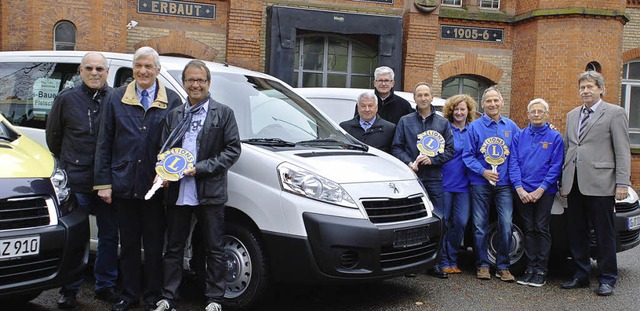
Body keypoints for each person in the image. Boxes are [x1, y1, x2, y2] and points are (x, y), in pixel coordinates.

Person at [94, 46, 182, 311]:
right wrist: (104, 183)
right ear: (133, 68)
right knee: (128, 243)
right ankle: (129, 294)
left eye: (148, 66)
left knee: (155, 244)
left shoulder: (173, 102)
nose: (143, 71)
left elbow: (177, 145)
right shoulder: (116, 98)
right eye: (138, 66)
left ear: (158, 70)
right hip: (123, 183)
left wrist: (170, 175)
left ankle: (153, 294)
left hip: (155, 187)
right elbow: (104, 141)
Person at [153, 60, 241, 311]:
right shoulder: (174, 116)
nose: (195, 85)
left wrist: (200, 169)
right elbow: (164, 151)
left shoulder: (223, 113)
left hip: (209, 191)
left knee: (214, 247)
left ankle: (215, 299)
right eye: (191, 80)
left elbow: (233, 150)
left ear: (208, 83)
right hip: (178, 191)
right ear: (184, 83)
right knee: (173, 247)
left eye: (200, 80)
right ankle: (168, 297)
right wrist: (164, 171)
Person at [46, 52, 119, 309]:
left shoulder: (117, 99)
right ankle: (70, 290)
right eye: (89, 68)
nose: (94, 72)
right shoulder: (66, 99)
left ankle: (105, 286)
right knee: (77, 239)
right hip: (77, 181)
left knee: (110, 236)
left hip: (108, 182)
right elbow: (53, 139)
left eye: (100, 68)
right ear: (81, 71)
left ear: (107, 72)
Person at [560, 71, 631, 296]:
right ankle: (581, 275)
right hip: (575, 184)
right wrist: (563, 180)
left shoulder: (614, 113)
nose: (585, 91)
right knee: (577, 233)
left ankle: (607, 277)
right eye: (582, 87)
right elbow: (568, 148)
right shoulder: (572, 115)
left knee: (603, 233)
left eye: (590, 86)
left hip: (601, 184)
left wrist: (622, 183)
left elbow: (622, 150)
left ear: (600, 89)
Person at [392, 82, 454, 278]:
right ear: (415, 98)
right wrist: (408, 162)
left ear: (432, 97)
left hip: (434, 177)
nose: (423, 98)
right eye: (419, 95)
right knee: (409, 221)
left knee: (438, 219)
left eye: (426, 94)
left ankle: (435, 264)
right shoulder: (405, 121)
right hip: (412, 178)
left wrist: (433, 159)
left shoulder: (443, 123)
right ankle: (410, 265)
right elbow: (396, 147)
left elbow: (450, 150)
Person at [462, 86, 519, 282]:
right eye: (488, 101)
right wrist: (483, 171)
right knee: (479, 225)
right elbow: (467, 156)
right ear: (483, 104)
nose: (493, 104)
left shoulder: (511, 126)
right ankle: (482, 265)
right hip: (480, 183)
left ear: (502, 102)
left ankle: (503, 266)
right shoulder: (474, 127)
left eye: (496, 100)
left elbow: (522, 147)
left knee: (506, 224)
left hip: (504, 184)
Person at [508, 98, 563, 287]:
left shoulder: (555, 138)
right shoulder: (519, 136)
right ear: (528, 114)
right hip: (522, 191)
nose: (537, 114)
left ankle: (541, 270)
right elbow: (513, 163)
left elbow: (556, 167)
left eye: (540, 111)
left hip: (544, 192)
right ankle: (530, 268)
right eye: (533, 111)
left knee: (541, 228)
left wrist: (541, 190)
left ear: (547, 114)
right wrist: (519, 188)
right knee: (528, 229)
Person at [438, 94, 476, 275]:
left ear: (468, 111)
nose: (459, 112)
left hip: (465, 186)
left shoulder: (473, 130)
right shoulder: (444, 129)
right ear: (451, 111)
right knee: (444, 223)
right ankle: (444, 260)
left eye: (463, 109)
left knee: (460, 223)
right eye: (456, 109)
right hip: (445, 183)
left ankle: (453, 258)